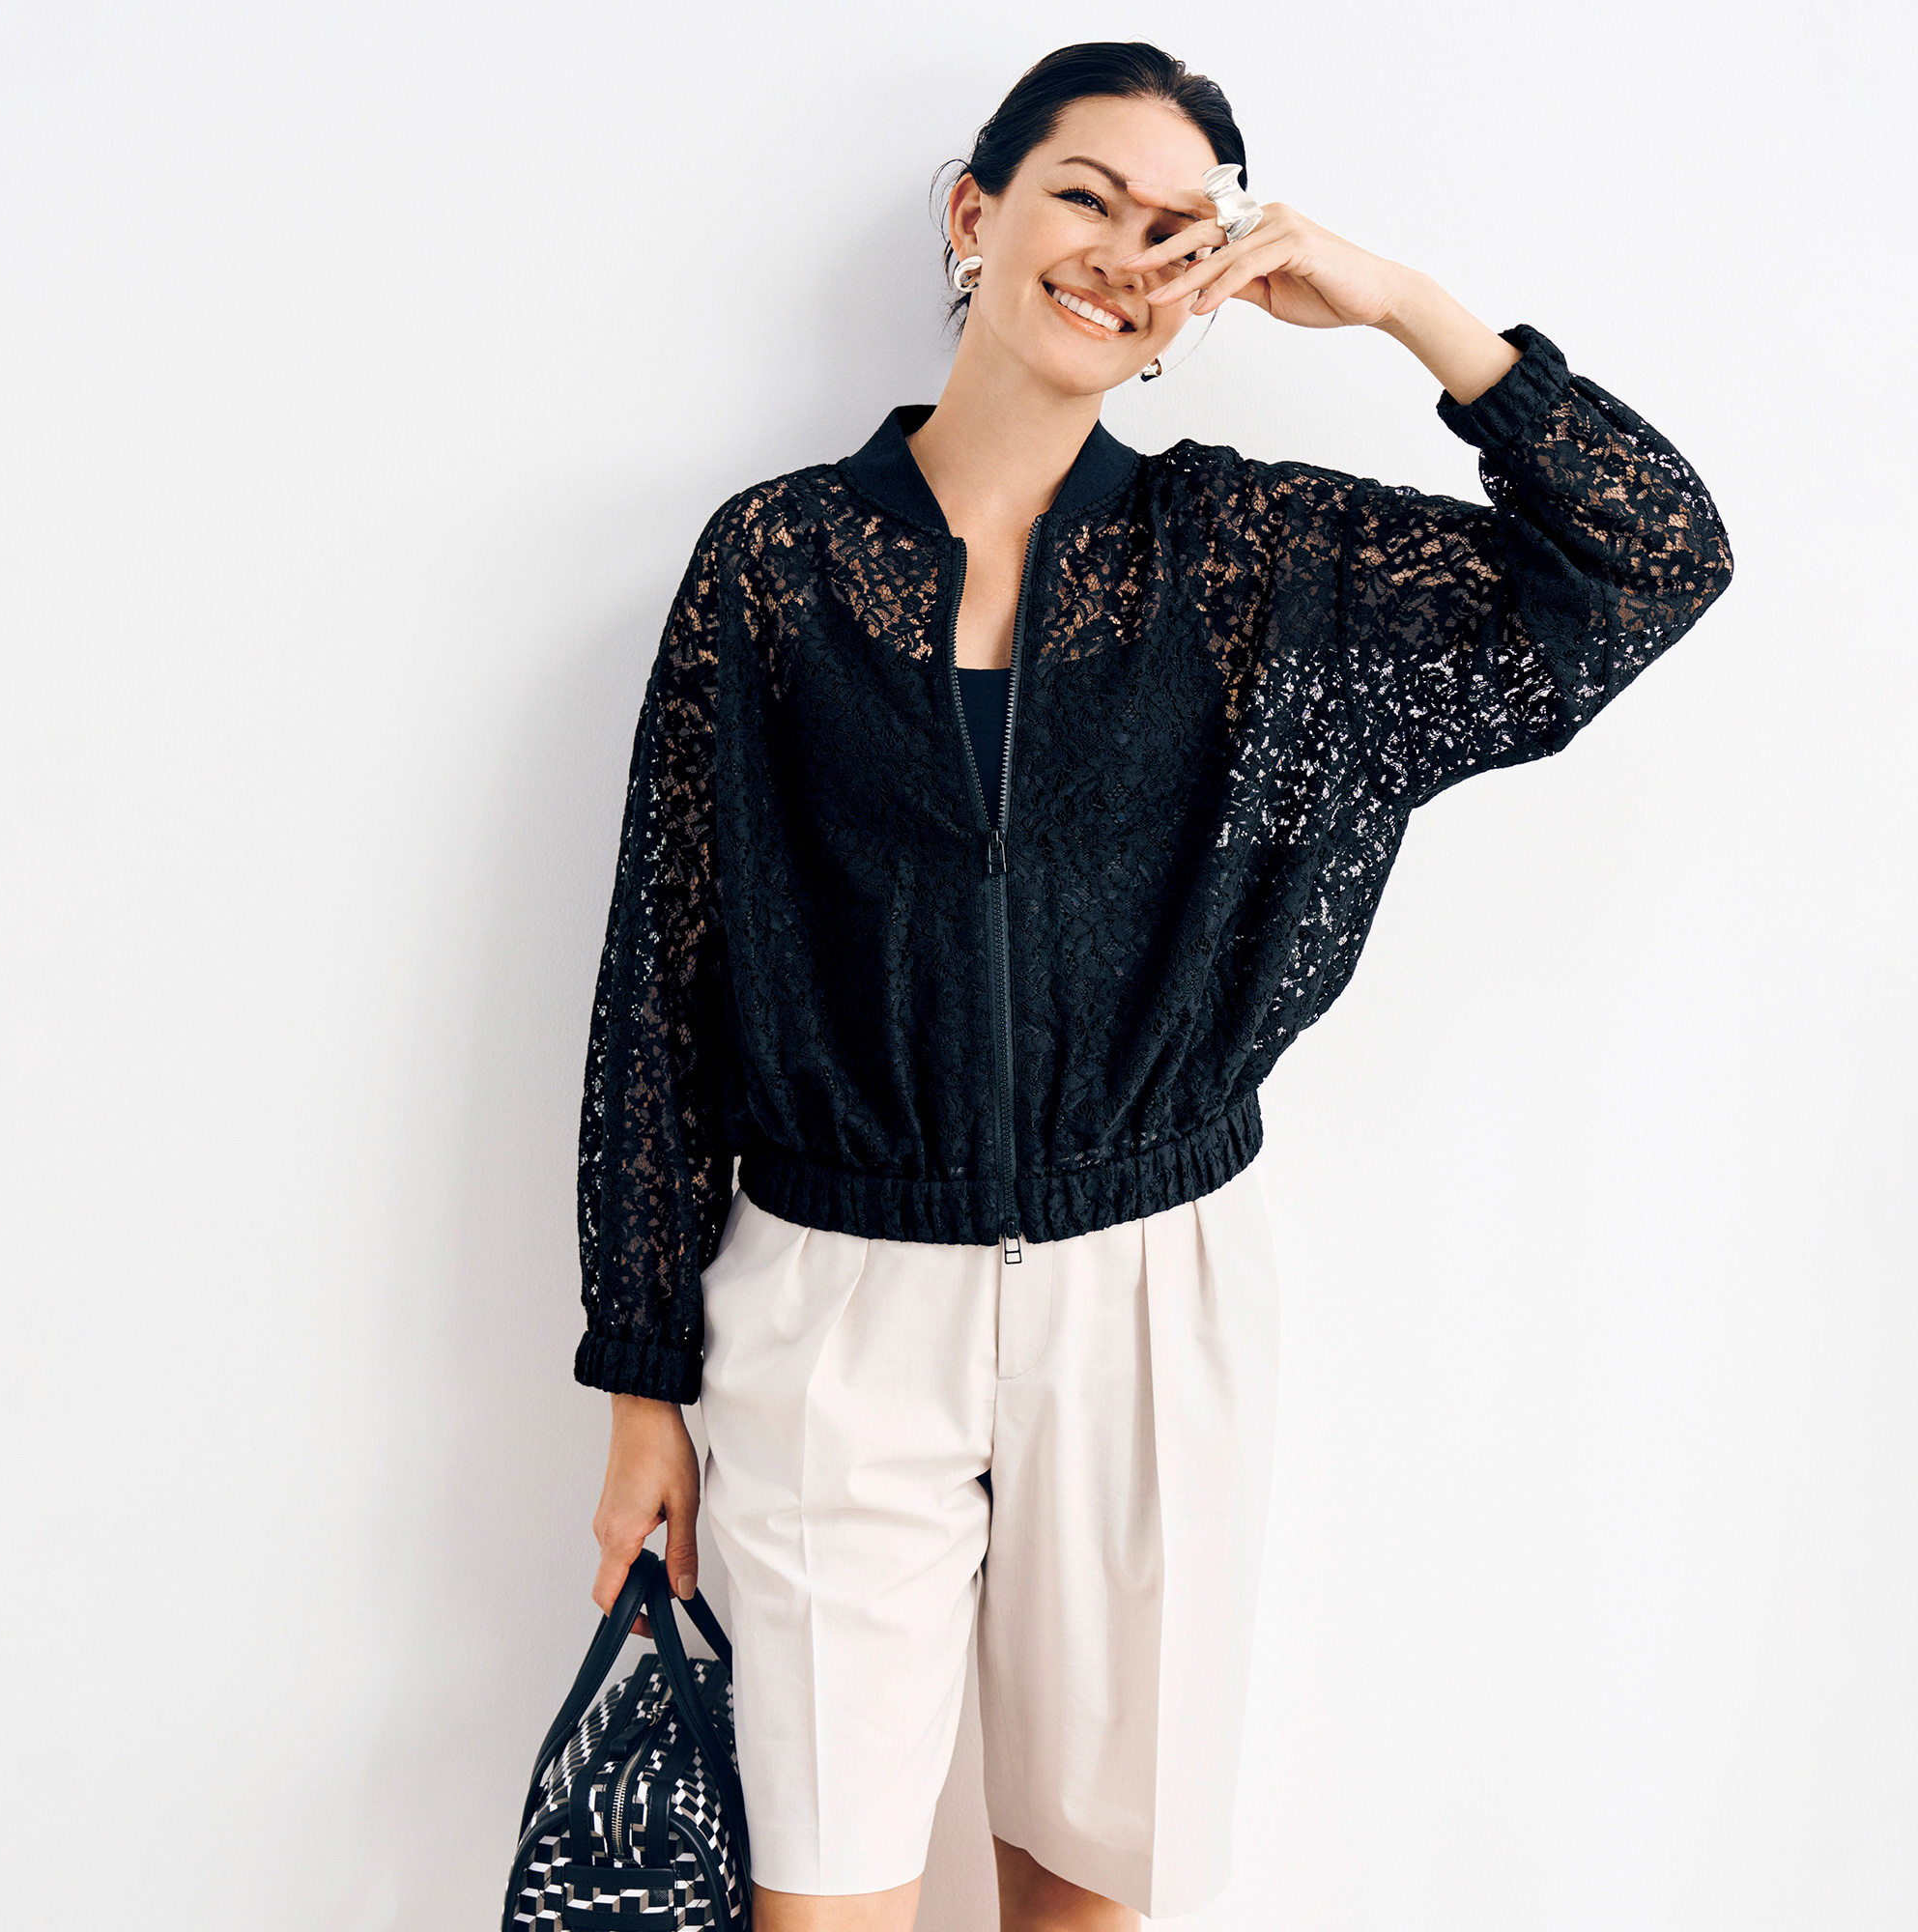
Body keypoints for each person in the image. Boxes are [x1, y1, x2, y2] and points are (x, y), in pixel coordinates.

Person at [571, 39, 1733, 1932]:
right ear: (978, 214)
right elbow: (664, 972)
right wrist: (639, 1380)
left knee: (1098, 1903)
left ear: (1212, 284)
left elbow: (1652, 556)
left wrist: (1400, 306)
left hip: (1148, 1300)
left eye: (1178, 232)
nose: (1120, 252)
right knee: (820, 1895)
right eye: (1085, 197)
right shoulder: (776, 562)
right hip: (833, 1310)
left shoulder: (1262, 564)